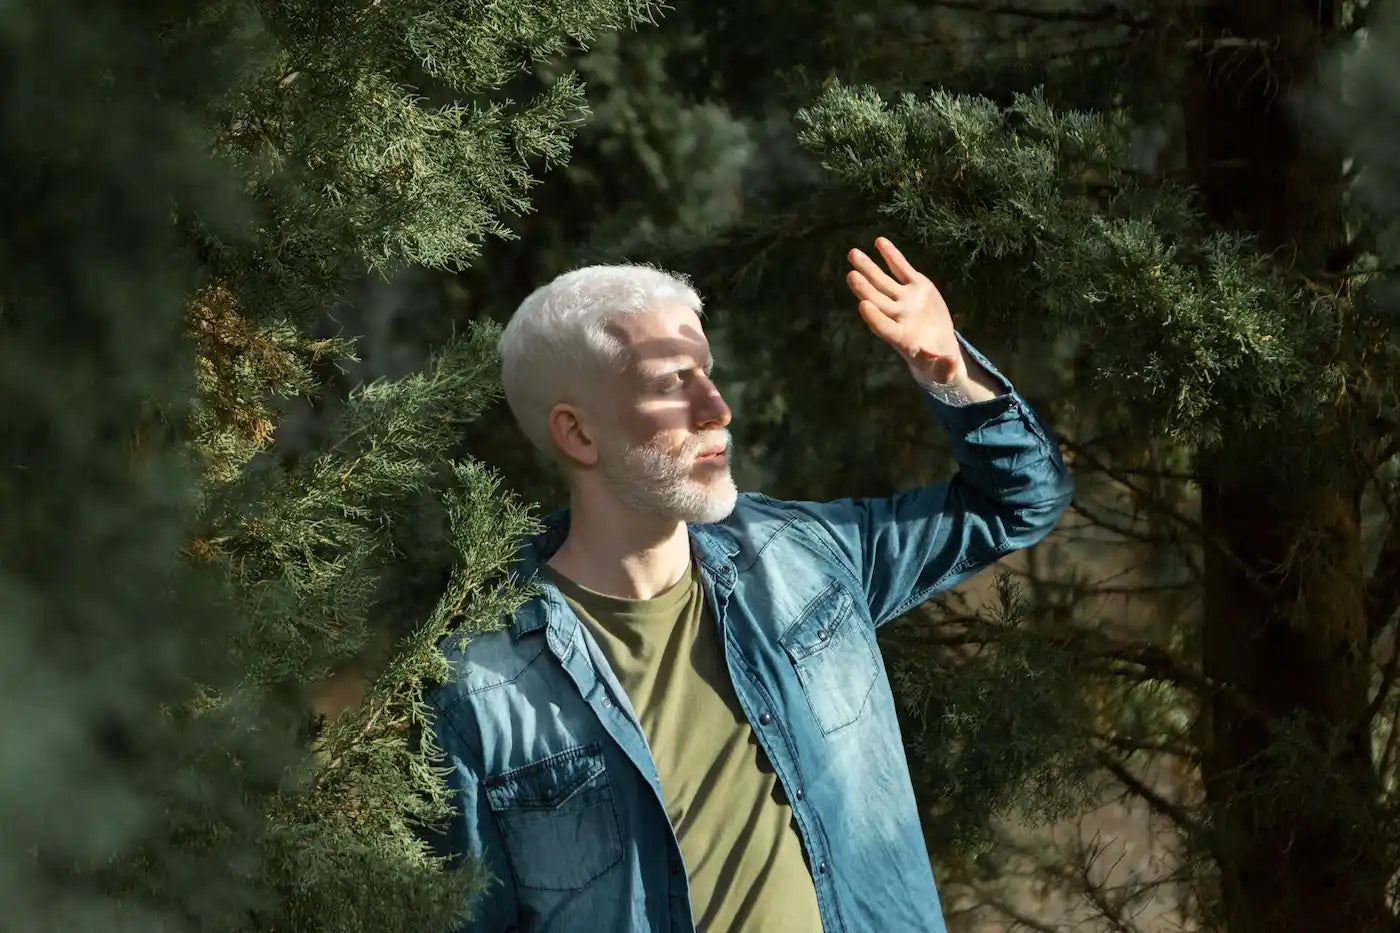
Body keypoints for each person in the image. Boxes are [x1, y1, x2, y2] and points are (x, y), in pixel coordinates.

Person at [424, 237, 1073, 932]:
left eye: (707, 374)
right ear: (578, 434)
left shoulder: (799, 557)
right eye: (672, 383)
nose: (716, 408)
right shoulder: (476, 687)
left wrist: (949, 373)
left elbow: (1019, 502)